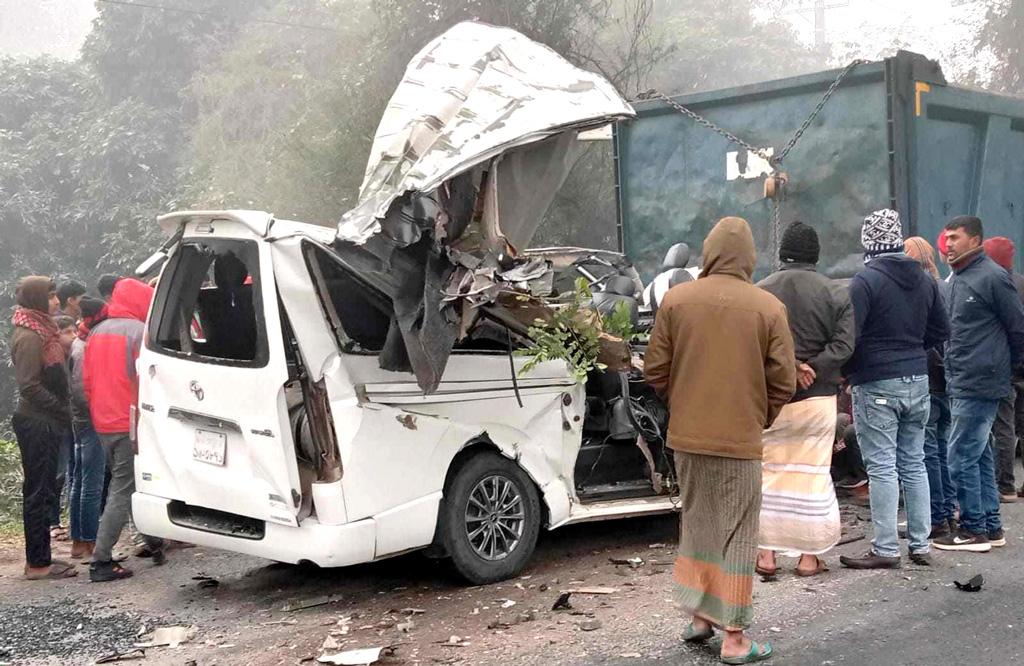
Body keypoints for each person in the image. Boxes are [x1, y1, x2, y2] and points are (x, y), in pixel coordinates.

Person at [645, 216, 795, 664]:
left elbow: (655, 370)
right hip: (739, 440)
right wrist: (758, 415)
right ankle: (734, 638)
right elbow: (783, 381)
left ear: (708, 253)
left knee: (699, 525)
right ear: (749, 257)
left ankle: (700, 618)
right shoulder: (768, 308)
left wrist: (684, 401)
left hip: (687, 440)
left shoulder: (677, 300)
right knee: (738, 534)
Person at [839, 209, 949, 569]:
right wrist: (914, 350)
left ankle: (886, 548)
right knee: (914, 463)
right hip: (917, 380)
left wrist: (849, 371)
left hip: (876, 382)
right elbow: (941, 331)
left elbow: (849, 338)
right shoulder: (925, 279)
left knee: (883, 467)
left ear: (869, 243)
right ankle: (921, 545)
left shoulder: (865, 282)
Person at [754, 221, 854, 578]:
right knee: (811, 475)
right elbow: (844, 345)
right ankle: (808, 559)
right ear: (816, 256)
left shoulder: (761, 292)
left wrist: (790, 366)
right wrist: (812, 366)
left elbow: (754, 346)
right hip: (819, 400)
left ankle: (765, 556)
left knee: (768, 474)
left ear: (782, 254)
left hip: (771, 401)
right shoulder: (836, 292)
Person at [934, 217, 1024, 553]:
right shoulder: (957, 279)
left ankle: (972, 530)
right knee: (979, 453)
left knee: (960, 455)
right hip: (962, 379)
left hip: (980, 380)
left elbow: (1018, 329)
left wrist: (1006, 368)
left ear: (976, 240)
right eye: (947, 238)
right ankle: (990, 525)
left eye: (956, 238)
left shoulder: (992, 278)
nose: (949, 244)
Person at [84, 278, 166, 581]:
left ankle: (154, 543)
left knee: (131, 483)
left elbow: (87, 383)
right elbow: (145, 381)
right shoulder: (138, 333)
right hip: (128, 422)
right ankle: (101, 561)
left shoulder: (96, 332)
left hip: (103, 422)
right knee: (121, 490)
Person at [10, 276, 77, 580]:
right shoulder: (30, 336)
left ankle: (42, 558)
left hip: (46, 420)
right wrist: (62, 409)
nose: (56, 301)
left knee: (44, 489)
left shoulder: (43, 331)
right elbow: (29, 385)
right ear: (38, 299)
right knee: (38, 492)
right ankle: (37, 563)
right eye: (50, 296)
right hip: (38, 422)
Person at [904, 236, 957, 539]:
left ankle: (936, 517)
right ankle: (948, 512)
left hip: (929, 379)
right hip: (947, 380)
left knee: (927, 452)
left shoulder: (920, 289)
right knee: (942, 449)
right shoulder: (945, 286)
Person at [981, 237, 1024, 503]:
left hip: (1005, 364)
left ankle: (1005, 485)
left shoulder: (993, 284)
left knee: (1003, 425)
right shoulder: (1021, 282)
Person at [68, 297, 108, 561]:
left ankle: (78, 540)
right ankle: (90, 541)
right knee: (91, 483)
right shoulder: (84, 347)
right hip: (90, 419)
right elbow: (81, 390)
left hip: (80, 419)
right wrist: (100, 411)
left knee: (80, 480)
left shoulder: (78, 341)